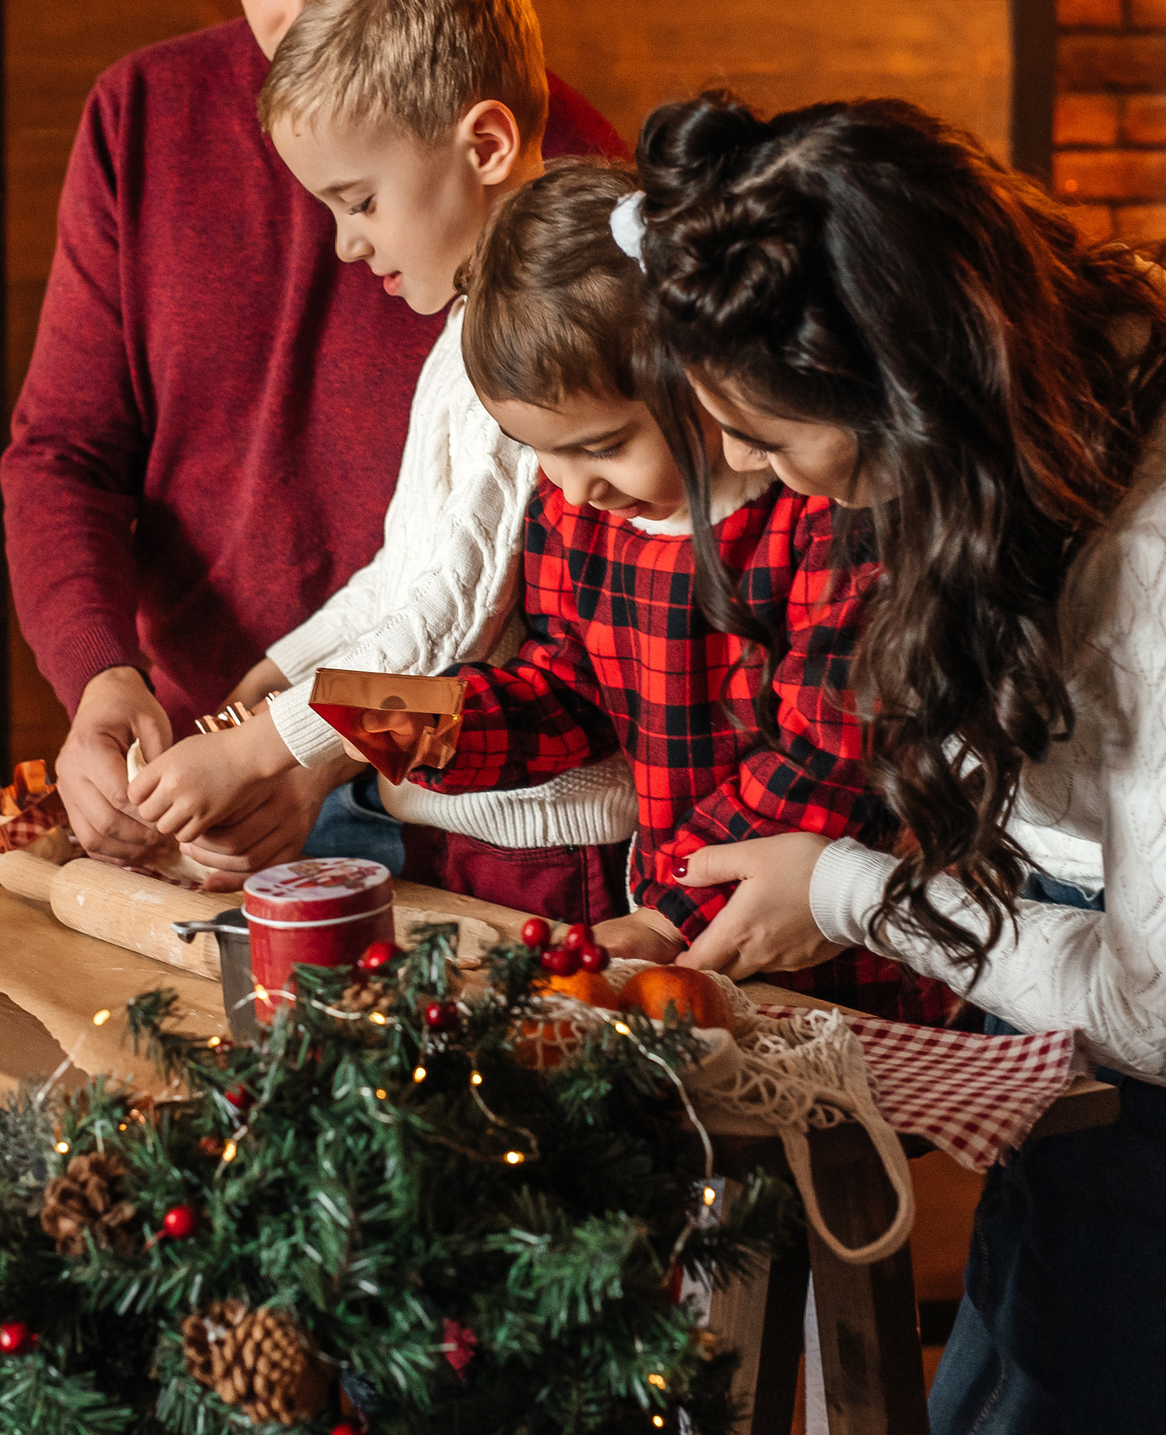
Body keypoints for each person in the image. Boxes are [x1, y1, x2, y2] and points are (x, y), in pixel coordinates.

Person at [629, 94, 1166, 1433]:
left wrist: (849, 893)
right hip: (1112, 1081)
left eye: (766, 434)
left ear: (908, 389)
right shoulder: (1055, 338)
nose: (747, 467)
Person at [1, 0, 625, 878]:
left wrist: (292, 743)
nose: (292, 27)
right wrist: (123, 678)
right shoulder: (140, 117)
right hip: (234, 767)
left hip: (481, 821)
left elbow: (466, 610)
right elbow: (63, 455)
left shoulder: (574, 236)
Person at [347, 160, 954, 1021]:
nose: (572, 484)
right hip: (689, 941)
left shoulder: (825, 514)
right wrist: (421, 725)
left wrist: (667, 916)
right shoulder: (577, 515)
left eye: (602, 445)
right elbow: (569, 690)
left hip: (843, 948)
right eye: (542, 451)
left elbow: (827, 759)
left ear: (699, 376)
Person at [124, 0, 637, 916]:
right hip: (442, 812)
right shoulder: (460, 334)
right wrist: (270, 677)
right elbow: (402, 573)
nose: (346, 243)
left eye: (359, 201)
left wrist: (264, 743)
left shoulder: (538, 351)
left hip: (542, 843)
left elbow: (447, 618)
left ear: (485, 147)